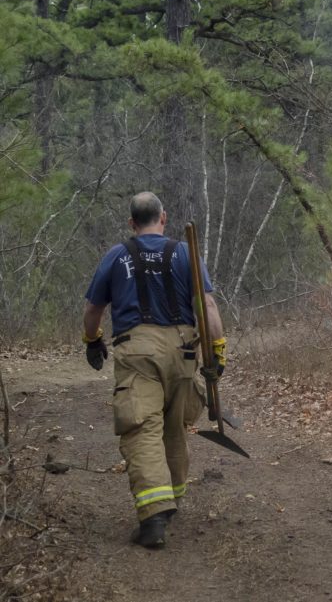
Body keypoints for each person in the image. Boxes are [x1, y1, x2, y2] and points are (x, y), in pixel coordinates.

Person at [82, 191, 226, 549]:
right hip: (183, 351)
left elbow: (92, 309)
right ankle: (171, 498)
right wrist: (217, 352)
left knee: (141, 428)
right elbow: (206, 304)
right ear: (164, 217)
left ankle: (153, 517)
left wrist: (93, 339)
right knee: (174, 428)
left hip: (138, 353)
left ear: (132, 223)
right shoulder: (185, 253)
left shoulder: (117, 256)